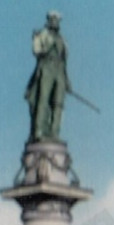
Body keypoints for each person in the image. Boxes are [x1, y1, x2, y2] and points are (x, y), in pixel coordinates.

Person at [25, 11, 71, 142]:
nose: (55, 22)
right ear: (49, 20)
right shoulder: (41, 35)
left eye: (57, 20)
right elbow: (36, 51)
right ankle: (39, 131)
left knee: (58, 103)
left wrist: (66, 79)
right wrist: (46, 46)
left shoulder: (62, 40)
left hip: (59, 71)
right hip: (46, 68)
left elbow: (64, 61)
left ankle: (54, 133)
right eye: (53, 19)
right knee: (43, 99)